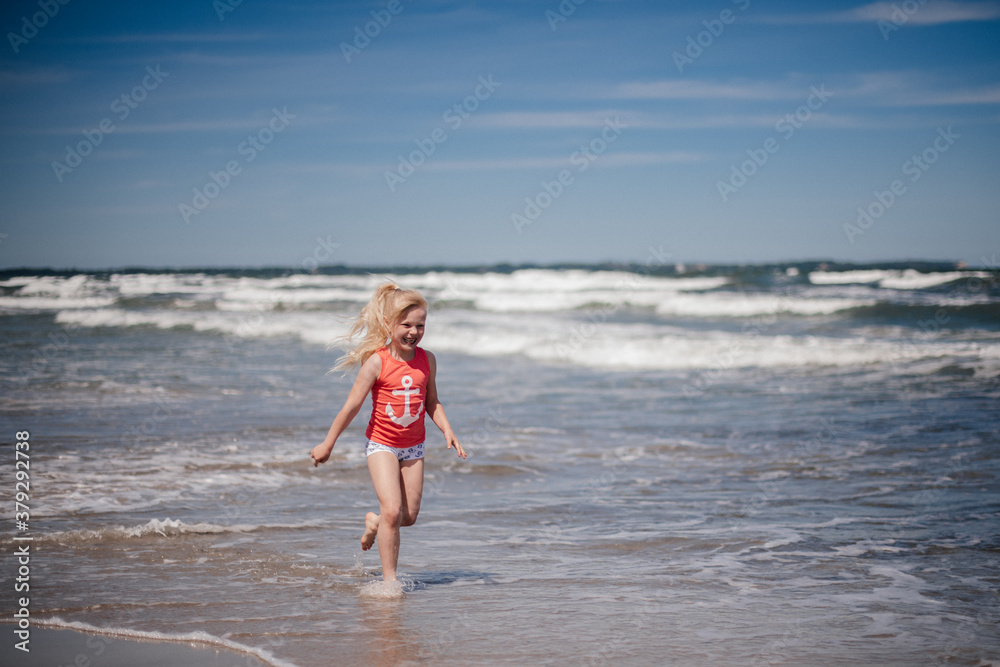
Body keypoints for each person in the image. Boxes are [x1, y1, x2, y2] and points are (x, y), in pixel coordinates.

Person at [310, 282, 466, 584]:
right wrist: (327, 444)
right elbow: (351, 407)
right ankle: (390, 581)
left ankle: (374, 524)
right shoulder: (377, 362)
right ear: (388, 323)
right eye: (406, 324)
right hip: (381, 444)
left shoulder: (427, 360)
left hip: (414, 447)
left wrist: (448, 430)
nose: (413, 331)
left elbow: (432, 402)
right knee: (393, 511)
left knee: (408, 517)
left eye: (420, 325)